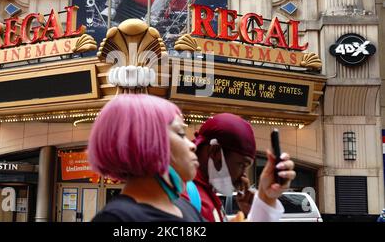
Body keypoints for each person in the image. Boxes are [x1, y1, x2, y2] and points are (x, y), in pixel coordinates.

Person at [89, 94, 296, 222]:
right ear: (144, 141)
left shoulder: (184, 208)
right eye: (180, 134)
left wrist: (266, 197)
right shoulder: (118, 218)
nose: (191, 144)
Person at [189, 113, 293, 222]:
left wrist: (263, 201)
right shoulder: (186, 196)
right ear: (215, 152)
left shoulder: (203, 192)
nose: (244, 175)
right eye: (242, 164)